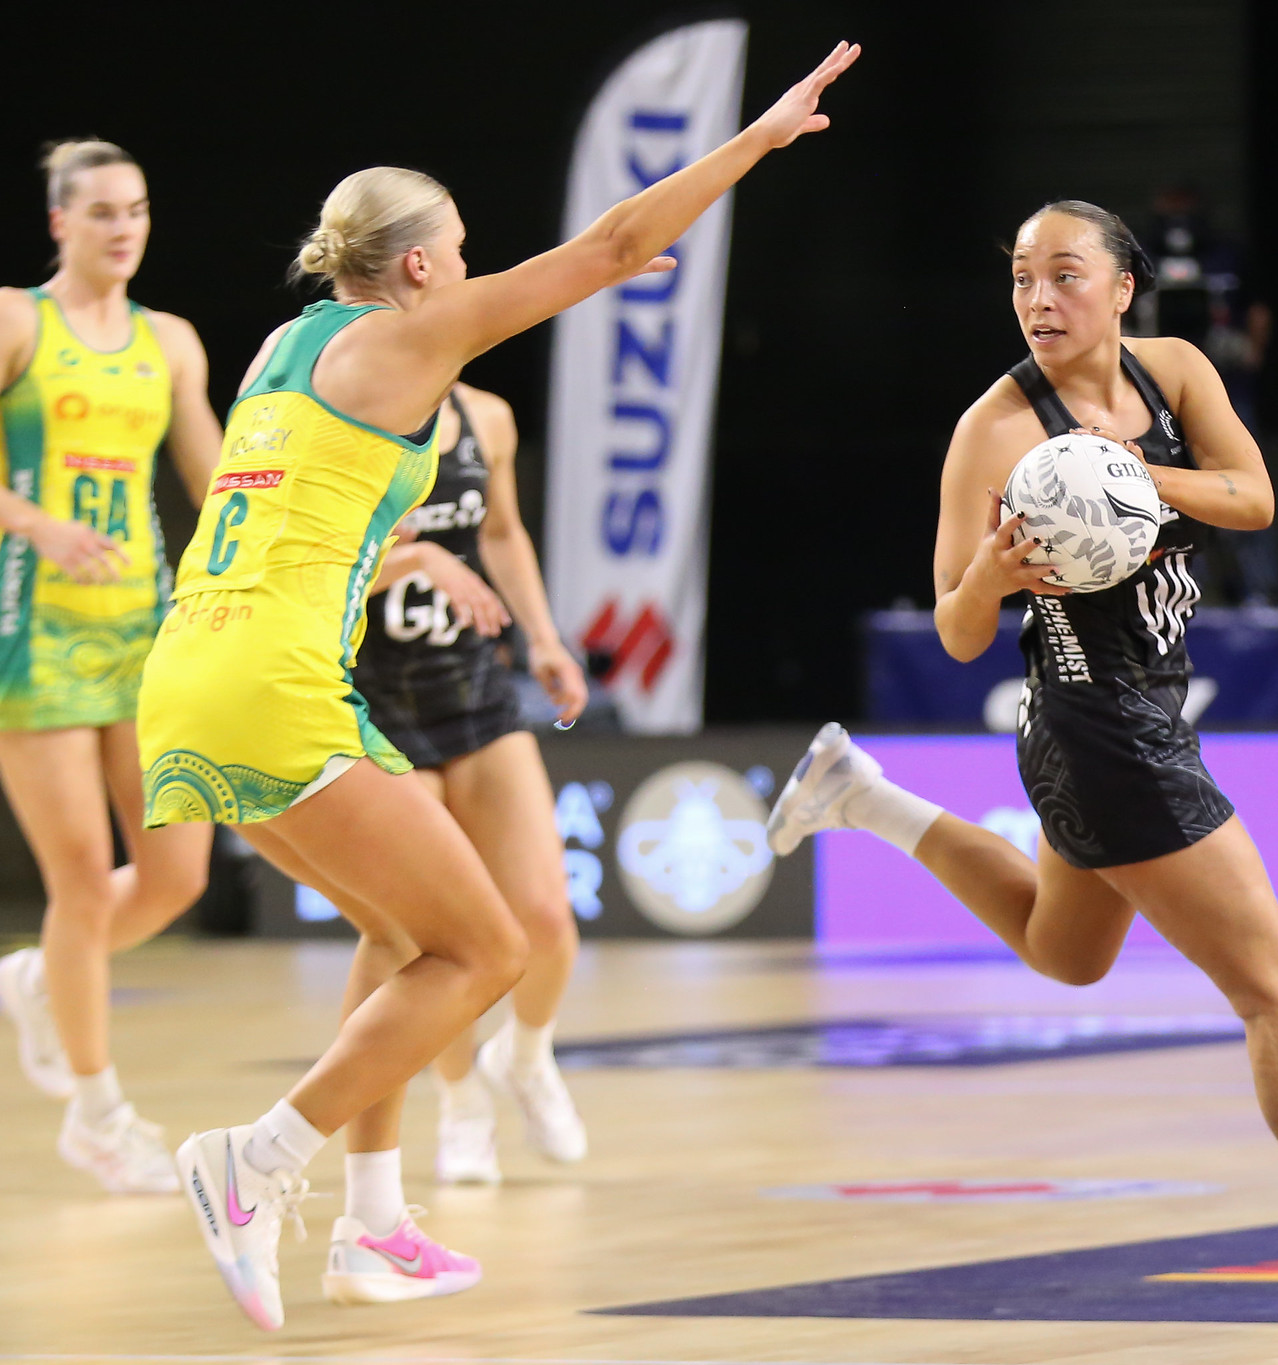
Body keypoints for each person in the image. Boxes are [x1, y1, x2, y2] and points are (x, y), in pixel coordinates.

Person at [135, 41, 859, 1330]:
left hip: (196, 667)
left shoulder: (283, 346)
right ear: (416, 266)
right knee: (489, 948)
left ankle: (373, 1226)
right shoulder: (420, 331)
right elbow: (608, 243)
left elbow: (305, 518)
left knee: (397, 933)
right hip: (274, 682)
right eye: (460, 250)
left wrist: (411, 552)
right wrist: (755, 140)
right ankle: (255, 1164)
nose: (469, 269)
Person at [766, 200, 1278, 1298]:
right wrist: (993, 576)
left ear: (1122, 288)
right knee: (1272, 989)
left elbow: (1250, 500)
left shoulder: (1174, 375)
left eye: (1063, 275)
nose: (1036, 299)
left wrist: (1128, 480)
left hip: (1137, 712)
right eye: (1020, 277)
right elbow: (956, 631)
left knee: (1064, 954)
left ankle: (861, 798)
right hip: (1093, 721)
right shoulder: (995, 430)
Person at [0, 140, 220, 1194]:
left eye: (135, 210)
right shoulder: (13, 322)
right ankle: (96, 1116)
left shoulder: (169, 342)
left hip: (143, 626)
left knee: (178, 871)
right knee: (82, 879)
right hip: (28, 632)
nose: (123, 227)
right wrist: (30, 520)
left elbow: (216, 473)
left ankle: (46, 976)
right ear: (60, 224)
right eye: (100, 212)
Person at [329, 379, 592, 1227]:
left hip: (473, 687)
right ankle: (461, 1105)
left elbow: (502, 529)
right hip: (373, 700)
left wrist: (544, 639)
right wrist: (412, 558)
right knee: (422, 940)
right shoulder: (347, 408)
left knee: (546, 919)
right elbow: (318, 566)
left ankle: (526, 1054)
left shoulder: (490, 414)